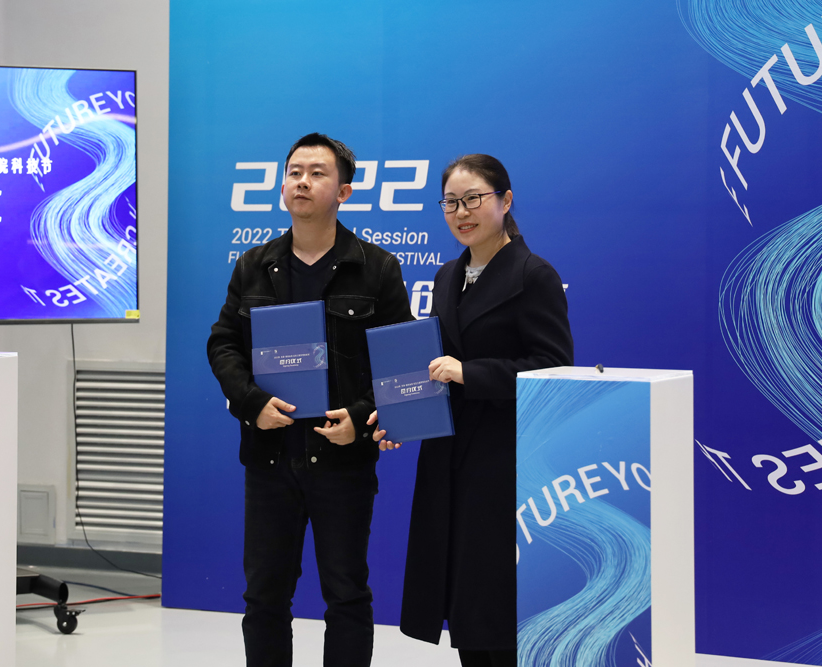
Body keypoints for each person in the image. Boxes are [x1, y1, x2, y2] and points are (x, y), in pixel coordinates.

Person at [207, 133, 412, 667]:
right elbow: (223, 342)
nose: (302, 181)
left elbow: (402, 362)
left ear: (343, 192)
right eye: (294, 172)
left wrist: (362, 419)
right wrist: (251, 401)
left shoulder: (377, 268)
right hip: (269, 460)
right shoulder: (253, 265)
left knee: (346, 596)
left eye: (317, 173)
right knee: (264, 597)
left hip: (342, 460)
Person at [369, 154, 574, 667]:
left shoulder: (533, 274)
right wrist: (398, 415)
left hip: (504, 462)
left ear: (505, 201)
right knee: (464, 605)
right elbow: (433, 365)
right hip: (448, 457)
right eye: (451, 203)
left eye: (474, 199)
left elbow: (554, 369)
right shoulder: (447, 275)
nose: (462, 212)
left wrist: (471, 373)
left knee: (497, 606)